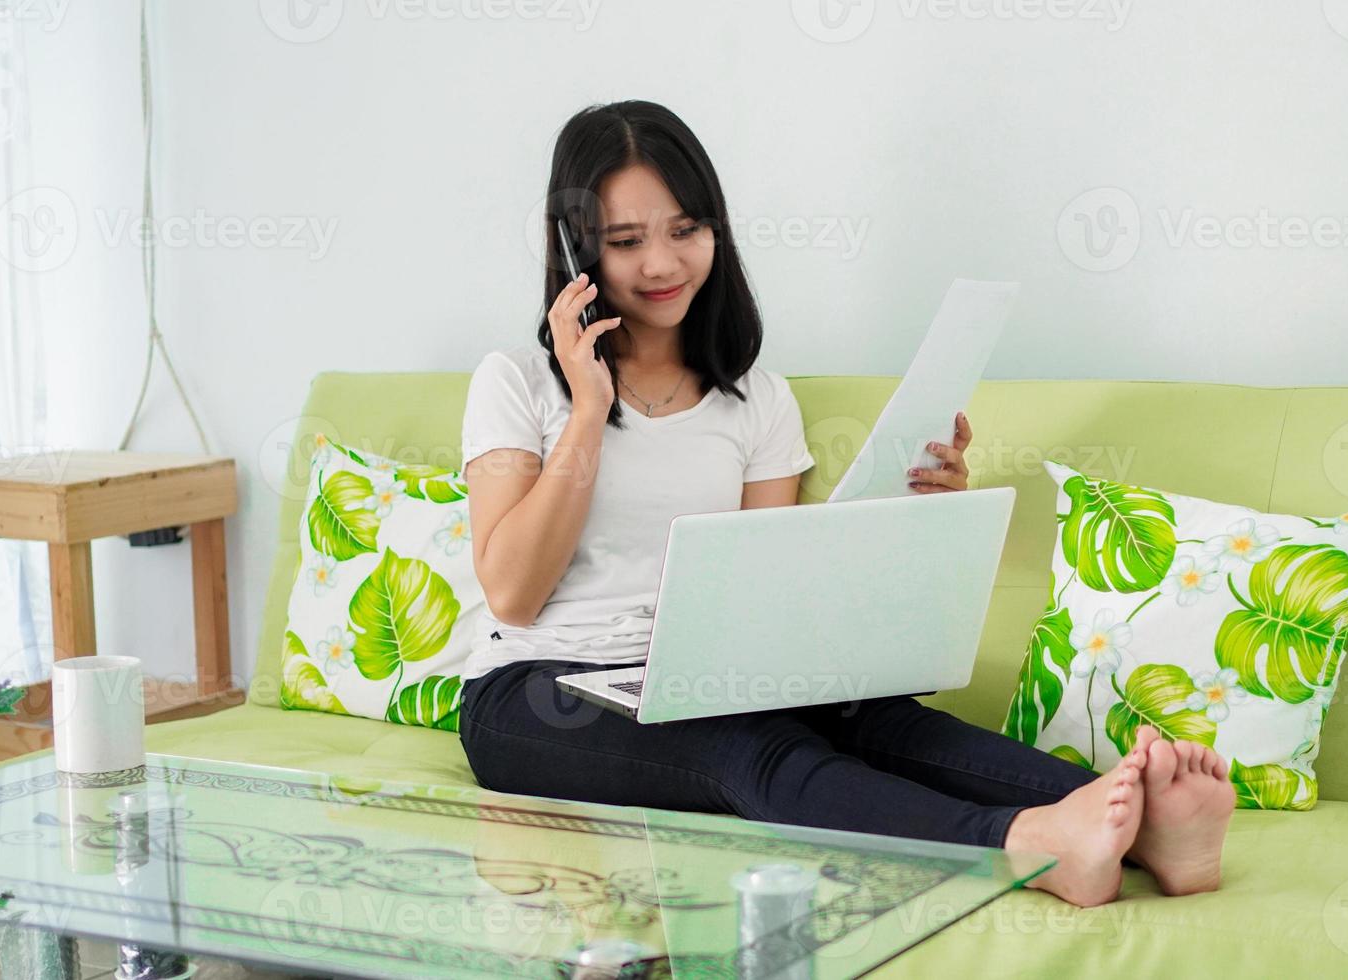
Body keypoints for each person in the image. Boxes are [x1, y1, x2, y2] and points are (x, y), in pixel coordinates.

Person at [456, 100, 1234, 907]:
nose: (661, 263)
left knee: (875, 717)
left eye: (685, 230)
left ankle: (1146, 823)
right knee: (746, 747)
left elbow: (761, 595)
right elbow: (513, 592)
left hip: (704, 678)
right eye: (625, 242)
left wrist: (920, 513)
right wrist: (588, 408)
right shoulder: (517, 381)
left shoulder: (756, 399)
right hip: (541, 691)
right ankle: (1024, 845)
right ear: (578, 249)